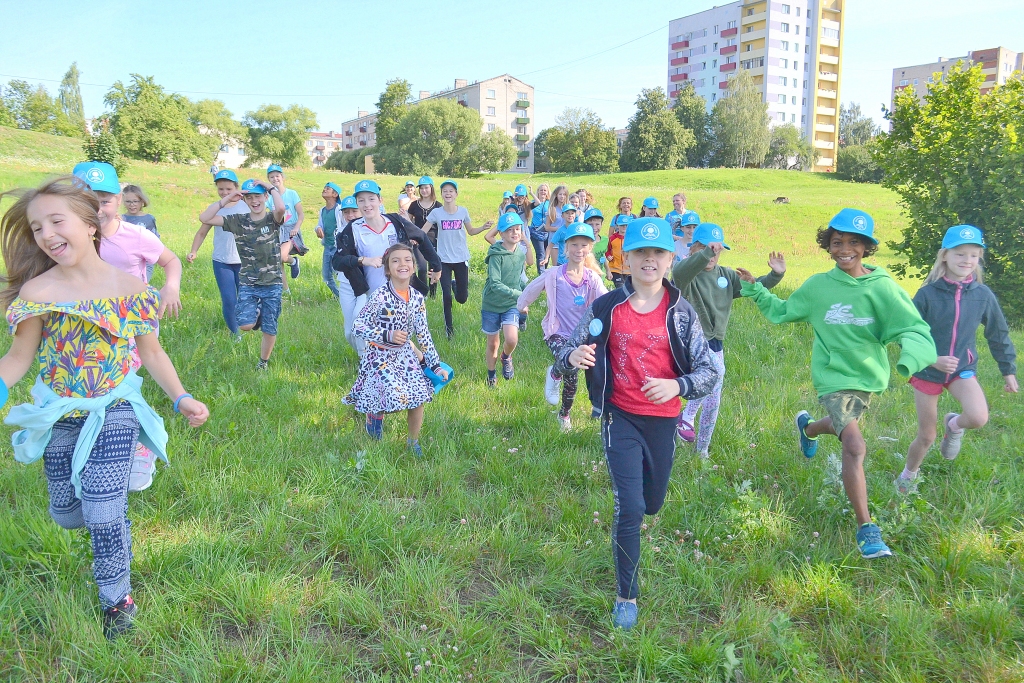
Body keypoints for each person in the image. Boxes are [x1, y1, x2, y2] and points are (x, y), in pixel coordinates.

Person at [0, 176, 209, 640]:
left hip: (115, 406)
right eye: (36, 228)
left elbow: (151, 353)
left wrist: (182, 397)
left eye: (57, 221)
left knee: (102, 509)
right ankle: (106, 499)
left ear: (91, 224)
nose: (47, 234)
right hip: (58, 411)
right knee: (67, 512)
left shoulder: (130, 288)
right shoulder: (38, 292)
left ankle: (117, 599)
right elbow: (18, 358)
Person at [740, 208, 937, 560]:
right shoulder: (819, 286)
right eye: (837, 242)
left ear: (867, 247)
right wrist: (756, 290)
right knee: (856, 445)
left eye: (853, 242)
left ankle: (810, 429)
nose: (845, 249)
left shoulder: (883, 288)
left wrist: (912, 356)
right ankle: (867, 528)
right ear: (828, 247)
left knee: (843, 426)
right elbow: (784, 311)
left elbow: (912, 326)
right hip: (832, 378)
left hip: (868, 378)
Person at [557, 216, 719, 631]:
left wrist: (677, 385)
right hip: (620, 416)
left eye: (658, 253)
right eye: (640, 253)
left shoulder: (682, 314)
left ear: (670, 260)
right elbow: (568, 348)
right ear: (625, 259)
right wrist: (571, 359)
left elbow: (708, 372)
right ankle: (625, 595)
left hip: (663, 422)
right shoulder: (606, 307)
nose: (649, 259)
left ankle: (644, 509)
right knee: (628, 507)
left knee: (652, 503)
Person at [73, 162, 183, 492]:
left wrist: (171, 287)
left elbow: (170, 260)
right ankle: (97, 441)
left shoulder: (135, 236)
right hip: (89, 324)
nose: (97, 208)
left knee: (120, 382)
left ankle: (140, 443)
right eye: (86, 199)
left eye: (104, 200)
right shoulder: (68, 238)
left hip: (133, 323)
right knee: (94, 384)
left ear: (119, 199)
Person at [896, 225, 1017, 494]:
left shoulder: (983, 295)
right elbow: (908, 334)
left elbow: (998, 333)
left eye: (974, 255)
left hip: (962, 369)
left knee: (977, 417)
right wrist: (931, 359)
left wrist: (1008, 371)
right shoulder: (927, 294)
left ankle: (954, 424)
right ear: (944, 256)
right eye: (960, 254)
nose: (967, 261)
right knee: (927, 436)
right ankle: (907, 476)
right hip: (928, 371)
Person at [672, 223, 786, 458]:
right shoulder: (687, 274)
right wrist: (705, 254)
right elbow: (679, 273)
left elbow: (753, 289)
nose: (713, 254)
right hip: (692, 342)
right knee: (717, 374)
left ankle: (702, 450)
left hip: (716, 343)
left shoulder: (725, 275)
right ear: (693, 248)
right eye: (705, 248)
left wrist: (774, 275)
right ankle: (685, 417)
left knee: (714, 399)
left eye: (717, 249)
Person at [344, 243, 447, 454]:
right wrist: (386, 334)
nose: (403, 264)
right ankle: (374, 422)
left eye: (407, 260)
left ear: (414, 266)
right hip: (379, 357)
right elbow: (358, 326)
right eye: (396, 260)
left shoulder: (418, 298)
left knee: (418, 397)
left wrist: (434, 366)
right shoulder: (380, 296)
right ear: (388, 268)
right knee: (388, 398)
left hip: (405, 357)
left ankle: (413, 442)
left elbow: (423, 334)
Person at [332, 179, 442, 354]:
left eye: (371, 199)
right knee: (352, 331)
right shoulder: (353, 229)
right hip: (367, 291)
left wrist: (436, 266)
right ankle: (369, 358)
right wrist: (362, 260)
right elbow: (337, 261)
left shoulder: (395, 222)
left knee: (397, 334)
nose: (367, 205)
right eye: (361, 200)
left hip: (394, 291)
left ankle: (372, 364)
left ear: (380, 200)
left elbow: (421, 237)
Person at [518, 222, 607, 431]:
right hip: (556, 332)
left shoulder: (592, 278)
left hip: (581, 337)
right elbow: (533, 288)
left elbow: (606, 299)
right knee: (569, 364)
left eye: (583, 245)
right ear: (566, 248)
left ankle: (564, 414)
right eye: (574, 245)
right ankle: (555, 373)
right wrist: (522, 305)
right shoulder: (555, 274)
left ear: (590, 248)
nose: (579, 250)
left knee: (572, 379)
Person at [198, 179, 287, 370]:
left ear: (265, 197)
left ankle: (263, 362)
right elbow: (205, 218)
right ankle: (258, 312)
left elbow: (281, 207)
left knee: (270, 328)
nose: (254, 201)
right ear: (244, 200)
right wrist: (228, 198)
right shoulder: (238, 221)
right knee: (246, 324)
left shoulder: (272, 219)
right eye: (250, 197)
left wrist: (269, 187)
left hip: (273, 282)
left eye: (258, 196)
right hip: (249, 282)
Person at [422, 180, 492, 338]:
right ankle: (449, 330)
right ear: (441, 194)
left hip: (461, 259)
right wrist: (409, 228)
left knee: (462, 298)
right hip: (443, 260)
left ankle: (455, 286)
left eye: (451, 191)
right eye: (445, 191)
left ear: (456, 194)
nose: (448, 193)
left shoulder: (463, 212)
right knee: (446, 296)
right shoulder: (436, 213)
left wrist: (483, 227)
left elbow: (471, 231)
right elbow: (422, 232)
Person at [187, 170, 248, 338]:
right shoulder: (215, 209)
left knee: (245, 298)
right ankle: (235, 334)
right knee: (229, 299)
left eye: (229, 189)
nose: (225, 193)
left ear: (236, 187)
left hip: (244, 260)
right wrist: (194, 251)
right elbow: (202, 232)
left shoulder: (247, 205)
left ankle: (248, 324)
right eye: (221, 189)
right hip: (222, 261)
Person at [482, 212, 529, 387]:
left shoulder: (521, 254)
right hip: (491, 305)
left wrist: (527, 293)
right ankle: (491, 374)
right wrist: (520, 295)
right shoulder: (496, 254)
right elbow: (495, 283)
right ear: (501, 234)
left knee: (511, 339)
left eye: (517, 229)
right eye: (509, 230)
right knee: (493, 343)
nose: (515, 233)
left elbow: (519, 279)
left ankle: (506, 357)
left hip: (510, 304)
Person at [331, 196, 363, 350]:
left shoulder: (370, 230)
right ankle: (362, 355)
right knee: (348, 333)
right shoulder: (340, 233)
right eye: (346, 212)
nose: (350, 215)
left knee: (359, 320)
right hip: (346, 283)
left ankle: (366, 360)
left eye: (354, 211)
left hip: (366, 285)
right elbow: (337, 262)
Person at [265, 164, 304, 290]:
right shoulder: (269, 198)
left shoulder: (292, 194)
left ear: (282, 177)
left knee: (281, 256)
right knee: (277, 261)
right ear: (269, 179)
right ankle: (286, 290)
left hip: (290, 229)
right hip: (277, 230)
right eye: (271, 177)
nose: (275, 179)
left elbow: (301, 214)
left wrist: (296, 228)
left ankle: (293, 261)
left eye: (277, 176)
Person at [407, 176, 442, 297]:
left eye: (426, 187)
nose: (424, 190)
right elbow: (408, 222)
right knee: (421, 267)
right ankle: (422, 294)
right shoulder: (414, 205)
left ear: (431, 188)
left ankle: (432, 294)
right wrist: (411, 236)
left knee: (433, 267)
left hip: (434, 239)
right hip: (418, 240)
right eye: (421, 188)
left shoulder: (438, 205)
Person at [120, 184, 159, 282]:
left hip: (145, 261)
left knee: (141, 285)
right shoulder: (120, 219)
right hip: (125, 260)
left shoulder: (148, 219)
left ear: (142, 201)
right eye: (128, 201)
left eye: (135, 201)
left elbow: (155, 241)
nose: (132, 205)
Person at [314, 182, 343, 298]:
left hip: (337, 247)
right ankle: (340, 296)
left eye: (328, 189)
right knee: (326, 276)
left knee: (340, 273)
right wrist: (318, 229)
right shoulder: (322, 210)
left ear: (335, 194)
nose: (324, 190)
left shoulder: (339, 209)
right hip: (327, 246)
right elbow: (319, 224)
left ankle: (346, 295)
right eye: (324, 188)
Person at [527, 184, 551, 272]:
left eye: (545, 190)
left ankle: (545, 271)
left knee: (547, 253)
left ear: (548, 192)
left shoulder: (550, 203)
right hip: (536, 231)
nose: (543, 192)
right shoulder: (533, 203)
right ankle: (541, 275)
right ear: (538, 191)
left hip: (548, 231)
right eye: (541, 190)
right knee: (541, 253)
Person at [605, 214, 632, 288]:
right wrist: (608, 256)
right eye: (622, 225)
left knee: (629, 289)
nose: (624, 227)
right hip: (615, 269)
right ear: (617, 226)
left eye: (626, 225)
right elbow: (608, 250)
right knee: (620, 288)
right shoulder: (612, 238)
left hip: (629, 270)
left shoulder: (631, 239)